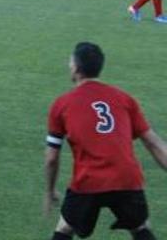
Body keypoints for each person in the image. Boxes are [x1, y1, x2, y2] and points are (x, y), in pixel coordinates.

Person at [44, 42, 167, 239]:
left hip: (87, 182)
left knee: (65, 229)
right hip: (127, 179)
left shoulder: (62, 104)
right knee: (140, 227)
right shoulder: (124, 99)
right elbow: (154, 143)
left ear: (75, 67)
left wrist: (49, 191)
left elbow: (51, 158)